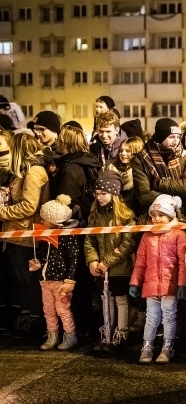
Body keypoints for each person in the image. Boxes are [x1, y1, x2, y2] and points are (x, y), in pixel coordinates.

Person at [129, 195, 186, 364]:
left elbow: (183, 262)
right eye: (154, 215)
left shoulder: (178, 235)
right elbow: (140, 261)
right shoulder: (147, 236)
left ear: (170, 216)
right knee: (151, 317)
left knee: (169, 316)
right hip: (151, 284)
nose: (156, 218)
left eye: (161, 215)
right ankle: (147, 347)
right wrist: (135, 281)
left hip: (170, 285)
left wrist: (183, 284)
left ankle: (167, 347)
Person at [0, 133, 50, 338]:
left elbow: (29, 206)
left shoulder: (33, 172)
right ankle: (27, 318)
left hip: (25, 233)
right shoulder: (24, 171)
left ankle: (35, 320)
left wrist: (2, 212)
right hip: (16, 232)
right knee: (21, 279)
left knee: (28, 279)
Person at [84, 171, 136, 351]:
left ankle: (121, 333)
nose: (99, 197)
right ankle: (107, 332)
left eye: (103, 193)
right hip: (101, 268)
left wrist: (107, 261)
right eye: (97, 194)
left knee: (120, 300)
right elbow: (89, 240)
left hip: (120, 268)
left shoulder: (125, 215)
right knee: (106, 299)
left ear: (114, 194)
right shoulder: (95, 215)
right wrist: (92, 260)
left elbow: (128, 243)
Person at [31, 195, 80, 351]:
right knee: (49, 310)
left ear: (52, 222)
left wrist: (70, 280)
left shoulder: (67, 237)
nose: (41, 222)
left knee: (63, 309)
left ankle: (70, 335)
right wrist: (37, 265)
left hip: (60, 282)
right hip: (45, 281)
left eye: (44, 219)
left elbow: (74, 259)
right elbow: (43, 257)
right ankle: (52, 335)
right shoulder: (44, 239)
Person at [131, 117, 186, 222]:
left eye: (178, 137)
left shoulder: (185, 156)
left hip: (183, 217)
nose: (176, 141)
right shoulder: (141, 159)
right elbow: (144, 194)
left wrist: (160, 184)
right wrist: (171, 200)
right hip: (153, 219)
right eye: (171, 137)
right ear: (160, 137)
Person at [104, 136, 144, 217]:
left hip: (135, 212)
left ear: (137, 151)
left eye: (128, 151)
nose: (123, 153)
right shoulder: (110, 167)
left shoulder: (141, 171)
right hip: (113, 212)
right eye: (121, 150)